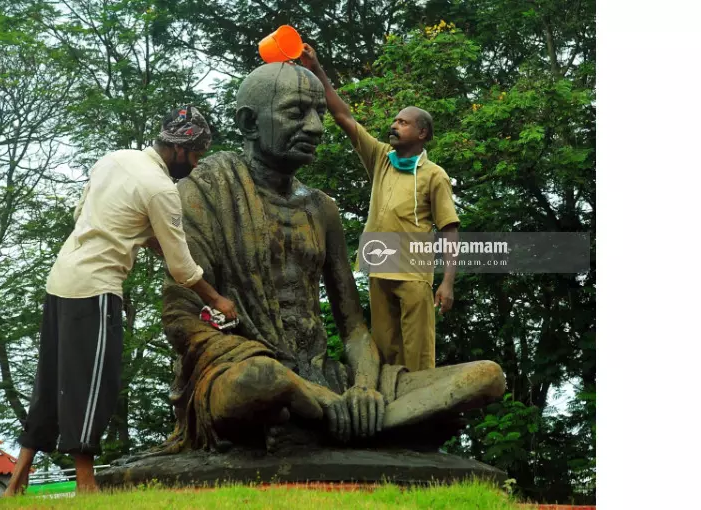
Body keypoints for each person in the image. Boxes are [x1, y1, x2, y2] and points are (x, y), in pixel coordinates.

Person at [154, 64, 504, 454]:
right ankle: (366, 423)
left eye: (319, 114)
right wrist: (308, 391)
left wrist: (364, 388)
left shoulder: (322, 209)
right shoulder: (201, 193)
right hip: (245, 371)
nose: (316, 127)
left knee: (486, 377)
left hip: (325, 375)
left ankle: (325, 423)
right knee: (262, 381)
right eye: (296, 112)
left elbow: (353, 328)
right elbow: (181, 320)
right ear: (250, 123)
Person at [3, 106, 237, 496]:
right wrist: (218, 300)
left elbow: (89, 215)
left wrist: (142, 239)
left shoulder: (115, 160)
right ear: (179, 150)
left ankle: (16, 481)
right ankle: (86, 485)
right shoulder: (163, 189)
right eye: (195, 156)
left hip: (61, 278)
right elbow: (182, 267)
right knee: (93, 383)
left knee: (50, 382)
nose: (195, 166)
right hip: (95, 288)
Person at [299, 44, 461, 372]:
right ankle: (389, 412)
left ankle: (424, 411)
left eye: (403, 122)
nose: (394, 126)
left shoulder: (435, 175)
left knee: (419, 354)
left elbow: (449, 230)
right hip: (379, 266)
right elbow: (343, 116)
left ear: (422, 132)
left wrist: (447, 282)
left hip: (414, 272)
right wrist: (317, 69)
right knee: (385, 352)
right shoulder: (380, 158)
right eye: (395, 121)